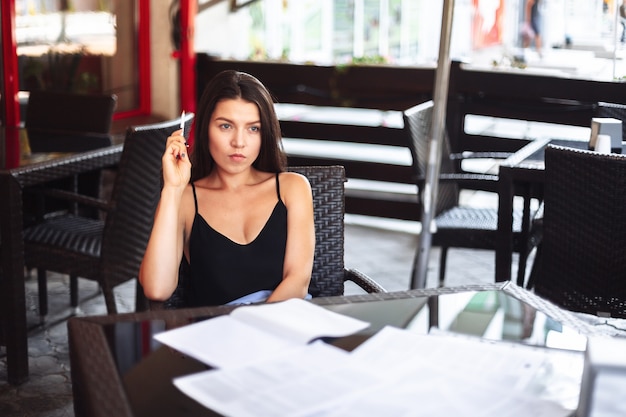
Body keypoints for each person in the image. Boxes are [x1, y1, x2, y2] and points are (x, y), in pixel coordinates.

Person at [139, 70, 315, 307]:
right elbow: (156, 289)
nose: (239, 142)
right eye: (226, 126)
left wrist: (254, 327)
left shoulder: (292, 188)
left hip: (284, 325)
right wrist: (172, 188)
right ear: (205, 129)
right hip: (215, 334)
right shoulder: (186, 199)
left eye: (253, 128)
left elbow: (298, 282)